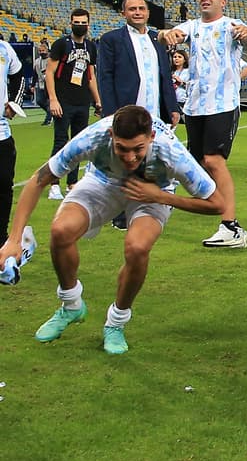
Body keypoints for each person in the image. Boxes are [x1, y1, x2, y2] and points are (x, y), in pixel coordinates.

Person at [0, 105, 226, 354]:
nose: (129, 158)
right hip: (103, 182)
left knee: (137, 248)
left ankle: (116, 322)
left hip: (154, 192)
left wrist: (161, 197)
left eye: (138, 149)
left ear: (151, 137)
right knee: (61, 230)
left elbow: (217, 204)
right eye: (122, 149)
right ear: (111, 137)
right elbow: (39, 179)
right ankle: (71, 305)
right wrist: (14, 239)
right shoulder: (93, 137)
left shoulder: (171, 151)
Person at [159, 0, 247, 249]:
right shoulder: (192, 27)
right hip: (195, 105)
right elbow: (170, 33)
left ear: (223, 1)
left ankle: (231, 226)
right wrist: (167, 34)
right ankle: (187, 202)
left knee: (214, 160)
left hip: (222, 105)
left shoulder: (232, 25)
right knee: (196, 161)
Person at [97, 0, 180, 129]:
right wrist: (110, 113)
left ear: (148, 13)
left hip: (156, 113)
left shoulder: (157, 39)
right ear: (123, 13)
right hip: (126, 111)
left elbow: (165, 76)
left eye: (141, 9)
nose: (137, 12)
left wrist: (172, 107)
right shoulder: (111, 39)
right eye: (132, 9)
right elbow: (105, 78)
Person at [45, 7, 101, 201]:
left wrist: (97, 100)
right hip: (63, 100)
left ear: (88, 24)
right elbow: (49, 73)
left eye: (83, 22)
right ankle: (54, 184)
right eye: (76, 22)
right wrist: (53, 99)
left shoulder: (91, 47)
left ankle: (72, 183)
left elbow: (91, 76)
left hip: (82, 101)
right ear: (70, 23)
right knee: (61, 142)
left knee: (78, 144)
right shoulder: (61, 44)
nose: (80, 26)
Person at [0, 36, 23, 243]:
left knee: (4, 187)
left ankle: (1, 238)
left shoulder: (5, 49)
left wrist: (14, 103)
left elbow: (18, 76)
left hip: (2, 134)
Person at [170, 50, 190, 116]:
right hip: (172, 100)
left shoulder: (188, 72)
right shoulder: (171, 71)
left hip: (183, 101)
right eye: (175, 57)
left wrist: (181, 82)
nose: (176, 59)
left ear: (184, 59)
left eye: (179, 57)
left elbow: (191, 86)